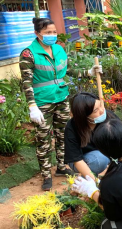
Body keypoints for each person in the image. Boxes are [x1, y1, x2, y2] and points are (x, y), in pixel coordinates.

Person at [19, 17, 101, 191]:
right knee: (44, 139)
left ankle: (62, 167)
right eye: (48, 32)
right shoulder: (29, 54)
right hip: (42, 102)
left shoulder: (58, 50)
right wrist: (32, 106)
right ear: (37, 33)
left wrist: (89, 71)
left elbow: (68, 70)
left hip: (61, 98)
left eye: (54, 32)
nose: (52, 35)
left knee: (64, 134)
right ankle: (46, 175)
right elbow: (26, 82)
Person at [64, 92, 119, 178]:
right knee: (98, 159)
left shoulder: (109, 117)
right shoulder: (72, 127)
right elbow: (77, 160)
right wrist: (94, 184)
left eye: (100, 105)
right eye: (96, 110)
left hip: (107, 153)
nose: (102, 111)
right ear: (83, 116)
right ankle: (86, 182)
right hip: (82, 160)